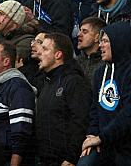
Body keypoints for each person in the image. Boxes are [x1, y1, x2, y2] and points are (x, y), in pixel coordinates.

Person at [83, 21, 131, 165]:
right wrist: (92, 134)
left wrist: (101, 137)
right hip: (104, 145)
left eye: (105, 41)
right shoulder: (100, 72)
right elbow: (95, 109)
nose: (100, 46)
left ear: (118, 42)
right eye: (101, 41)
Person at [32, 31, 92, 165]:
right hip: (44, 158)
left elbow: (80, 121)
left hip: (65, 160)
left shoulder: (74, 82)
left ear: (58, 55)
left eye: (45, 49)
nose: (39, 53)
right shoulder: (46, 82)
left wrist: (71, 157)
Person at [0, 40, 36, 164]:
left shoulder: (18, 86)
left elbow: (21, 130)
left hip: (7, 158)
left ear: (6, 61)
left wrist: (14, 162)